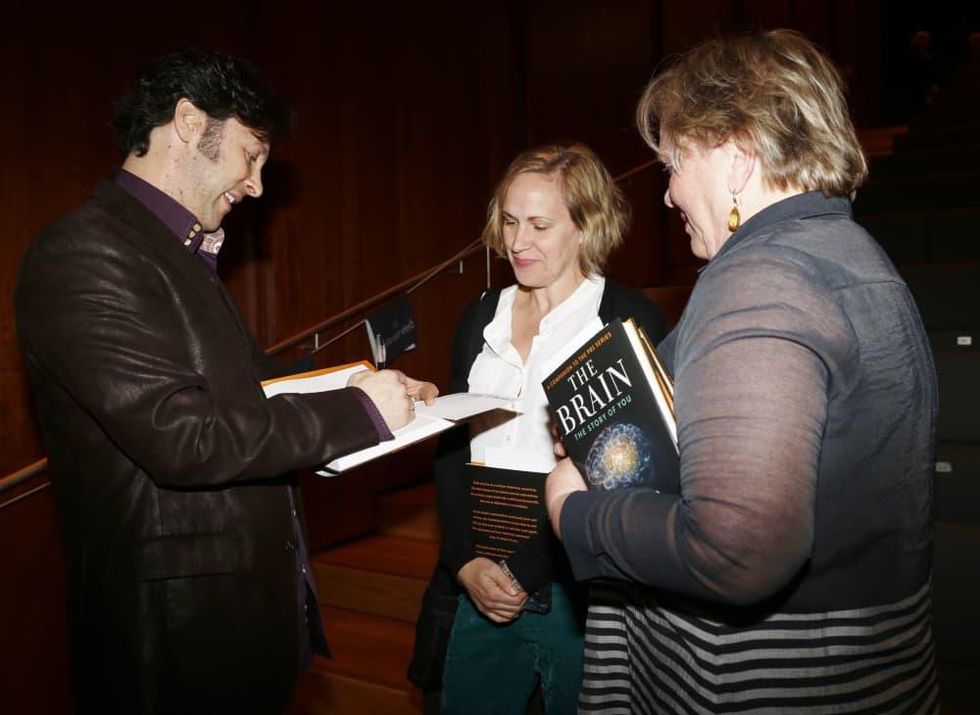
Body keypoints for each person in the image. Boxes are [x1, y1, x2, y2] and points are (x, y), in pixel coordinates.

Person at [14, 47, 436, 715]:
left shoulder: (172, 252)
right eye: (252, 154)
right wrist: (360, 412)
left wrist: (363, 380)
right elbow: (183, 435)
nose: (257, 184)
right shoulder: (84, 253)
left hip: (233, 629)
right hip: (175, 642)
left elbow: (248, 389)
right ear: (188, 122)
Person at [545, 29, 940, 713]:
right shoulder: (849, 251)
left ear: (734, 152)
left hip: (768, 677)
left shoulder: (759, 277)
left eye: (672, 161)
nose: (667, 195)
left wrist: (573, 508)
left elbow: (739, 551)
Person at [408, 142, 667, 713]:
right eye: (508, 221)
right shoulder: (480, 315)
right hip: (477, 576)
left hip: (580, 592)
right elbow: (454, 450)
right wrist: (464, 558)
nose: (517, 243)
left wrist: (528, 568)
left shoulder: (626, 321)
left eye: (540, 225)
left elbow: (632, 475)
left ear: (586, 225)